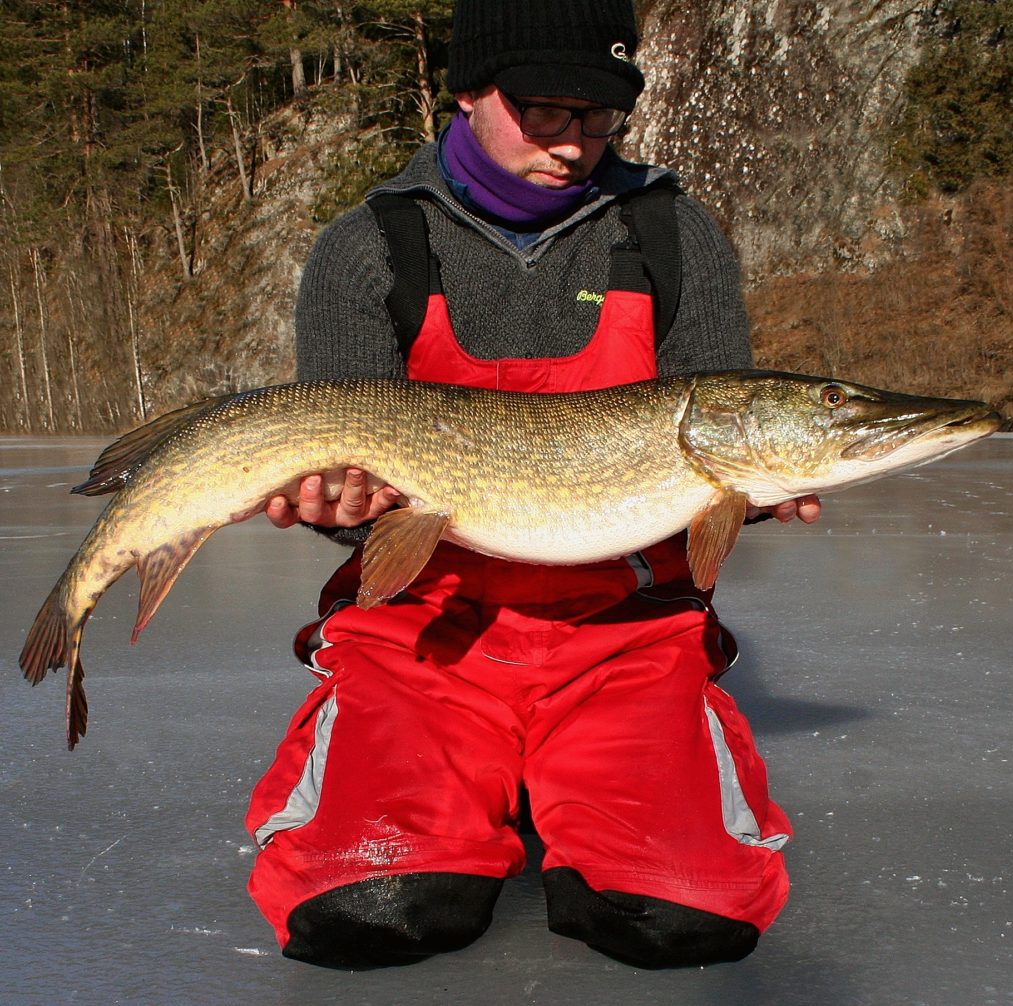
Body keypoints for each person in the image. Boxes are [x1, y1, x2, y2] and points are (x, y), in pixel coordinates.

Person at [246, 0, 820, 971]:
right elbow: (355, 490)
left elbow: (722, 437)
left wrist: (755, 489)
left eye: (597, 117)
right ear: (470, 90)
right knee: (367, 903)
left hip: (622, 637)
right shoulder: (368, 247)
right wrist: (337, 512)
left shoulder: (674, 235)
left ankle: (562, 785)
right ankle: (488, 784)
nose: (574, 141)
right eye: (544, 112)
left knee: (684, 917)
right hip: (426, 635)